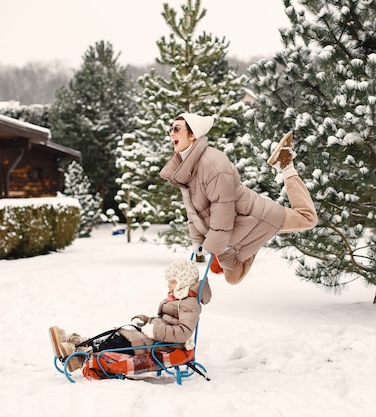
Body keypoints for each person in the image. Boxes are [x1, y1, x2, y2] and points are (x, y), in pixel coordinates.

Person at [160, 113, 318, 285]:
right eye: (171, 129)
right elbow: (193, 211)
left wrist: (210, 246)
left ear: (193, 135)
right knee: (233, 277)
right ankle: (258, 238)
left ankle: (286, 165)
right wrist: (198, 240)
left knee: (307, 218)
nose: (171, 134)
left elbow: (223, 210)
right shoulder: (186, 168)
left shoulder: (213, 163)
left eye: (177, 129)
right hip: (235, 231)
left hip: (255, 216)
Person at [49, 259, 212, 372]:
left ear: (184, 281)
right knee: (118, 334)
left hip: (164, 344)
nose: (168, 285)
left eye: (173, 281)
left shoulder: (189, 303)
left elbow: (184, 332)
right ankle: (78, 343)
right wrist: (145, 320)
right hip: (156, 337)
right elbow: (163, 321)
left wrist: (154, 331)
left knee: (121, 342)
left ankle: (79, 355)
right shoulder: (178, 297)